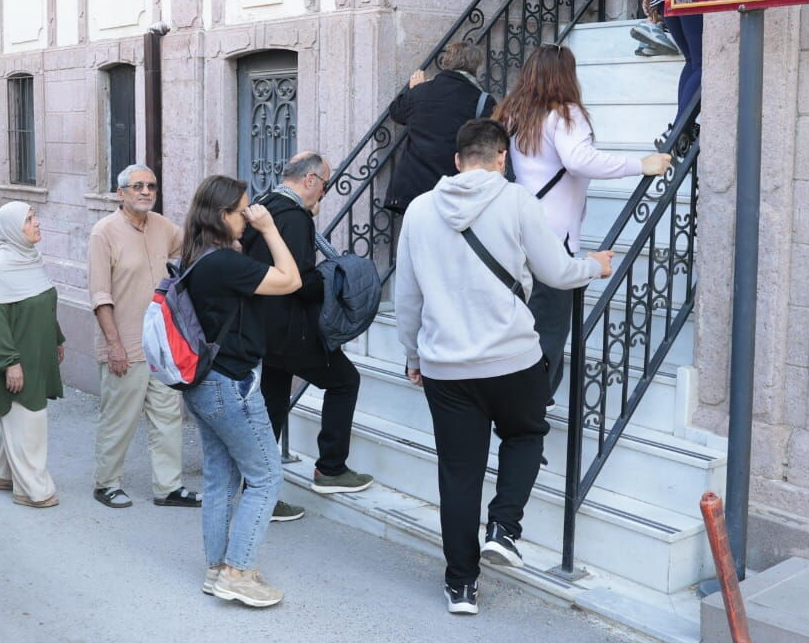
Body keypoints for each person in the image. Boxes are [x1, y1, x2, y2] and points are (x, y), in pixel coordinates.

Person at [395, 119, 612, 616]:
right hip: (513, 358)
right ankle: (504, 528)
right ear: (501, 159)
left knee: (458, 473)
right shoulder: (516, 200)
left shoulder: (420, 210)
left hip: (447, 366)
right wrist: (594, 266)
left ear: (456, 160)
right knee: (526, 434)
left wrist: (413, 356)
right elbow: (556, 272)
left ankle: (461, 586)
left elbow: (407, 296)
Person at [493, 46, 671, 393]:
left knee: (523, 321)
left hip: (517, 227)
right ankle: (535, 401)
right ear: (566, 76)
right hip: (553, 236)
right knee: (550, 326)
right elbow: (578, 161)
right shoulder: (565, 114)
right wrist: (639, 165)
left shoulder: (512, 113)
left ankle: (513, 395)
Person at [178, 175, 301, 608]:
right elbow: (291, 280)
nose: (247, 218)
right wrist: (270, 228)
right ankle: (237, 572)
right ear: (221, 215)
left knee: (220, 479)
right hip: (231, 385)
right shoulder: (223, 265)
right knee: (267, 478)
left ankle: (217, 569)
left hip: (202, 385)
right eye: (241, 211)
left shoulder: (197, 257)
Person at [242, 152, 373, 514]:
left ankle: (258, 486)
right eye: (326, 185)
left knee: (272, 404)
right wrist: (332, 278)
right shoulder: (295, 218)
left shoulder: (264, 204)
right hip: (291, 327)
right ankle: (330, 468)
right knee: (345, 381)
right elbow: (299, 280)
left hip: (263, 327)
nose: (324, 193)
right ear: (311, 180)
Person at [86, 165, 199, 510]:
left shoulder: (163, 227)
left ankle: (168, 487)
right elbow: (100, 295)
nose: (146, 191)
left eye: (151, 186)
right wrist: (114, 345)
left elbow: (191, 249)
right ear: (121, 194)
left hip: (161, 345)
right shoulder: (103, 233)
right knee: (119, 418)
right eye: (138, 186)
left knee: (168, 417)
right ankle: (106, 484)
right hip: (125, 346)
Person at [0, 203, 66, 509]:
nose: (37, 223)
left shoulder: (30, 258)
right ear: (12, 229)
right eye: (29, 220)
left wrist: (56, 338)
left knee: (18, 417)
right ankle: (31, 489)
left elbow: (43, 300)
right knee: (30, 419)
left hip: (37, 349)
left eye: (34, 217)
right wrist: (9, 364)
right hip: (17, 357)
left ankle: (2, 473)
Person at [385, 43, 497, 214]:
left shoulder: (421, 91)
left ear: (446, 61)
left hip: (414, 188)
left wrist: (413, 90)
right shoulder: (482, 100)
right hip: (454, 189)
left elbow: (396, 113)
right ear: (475, 66)